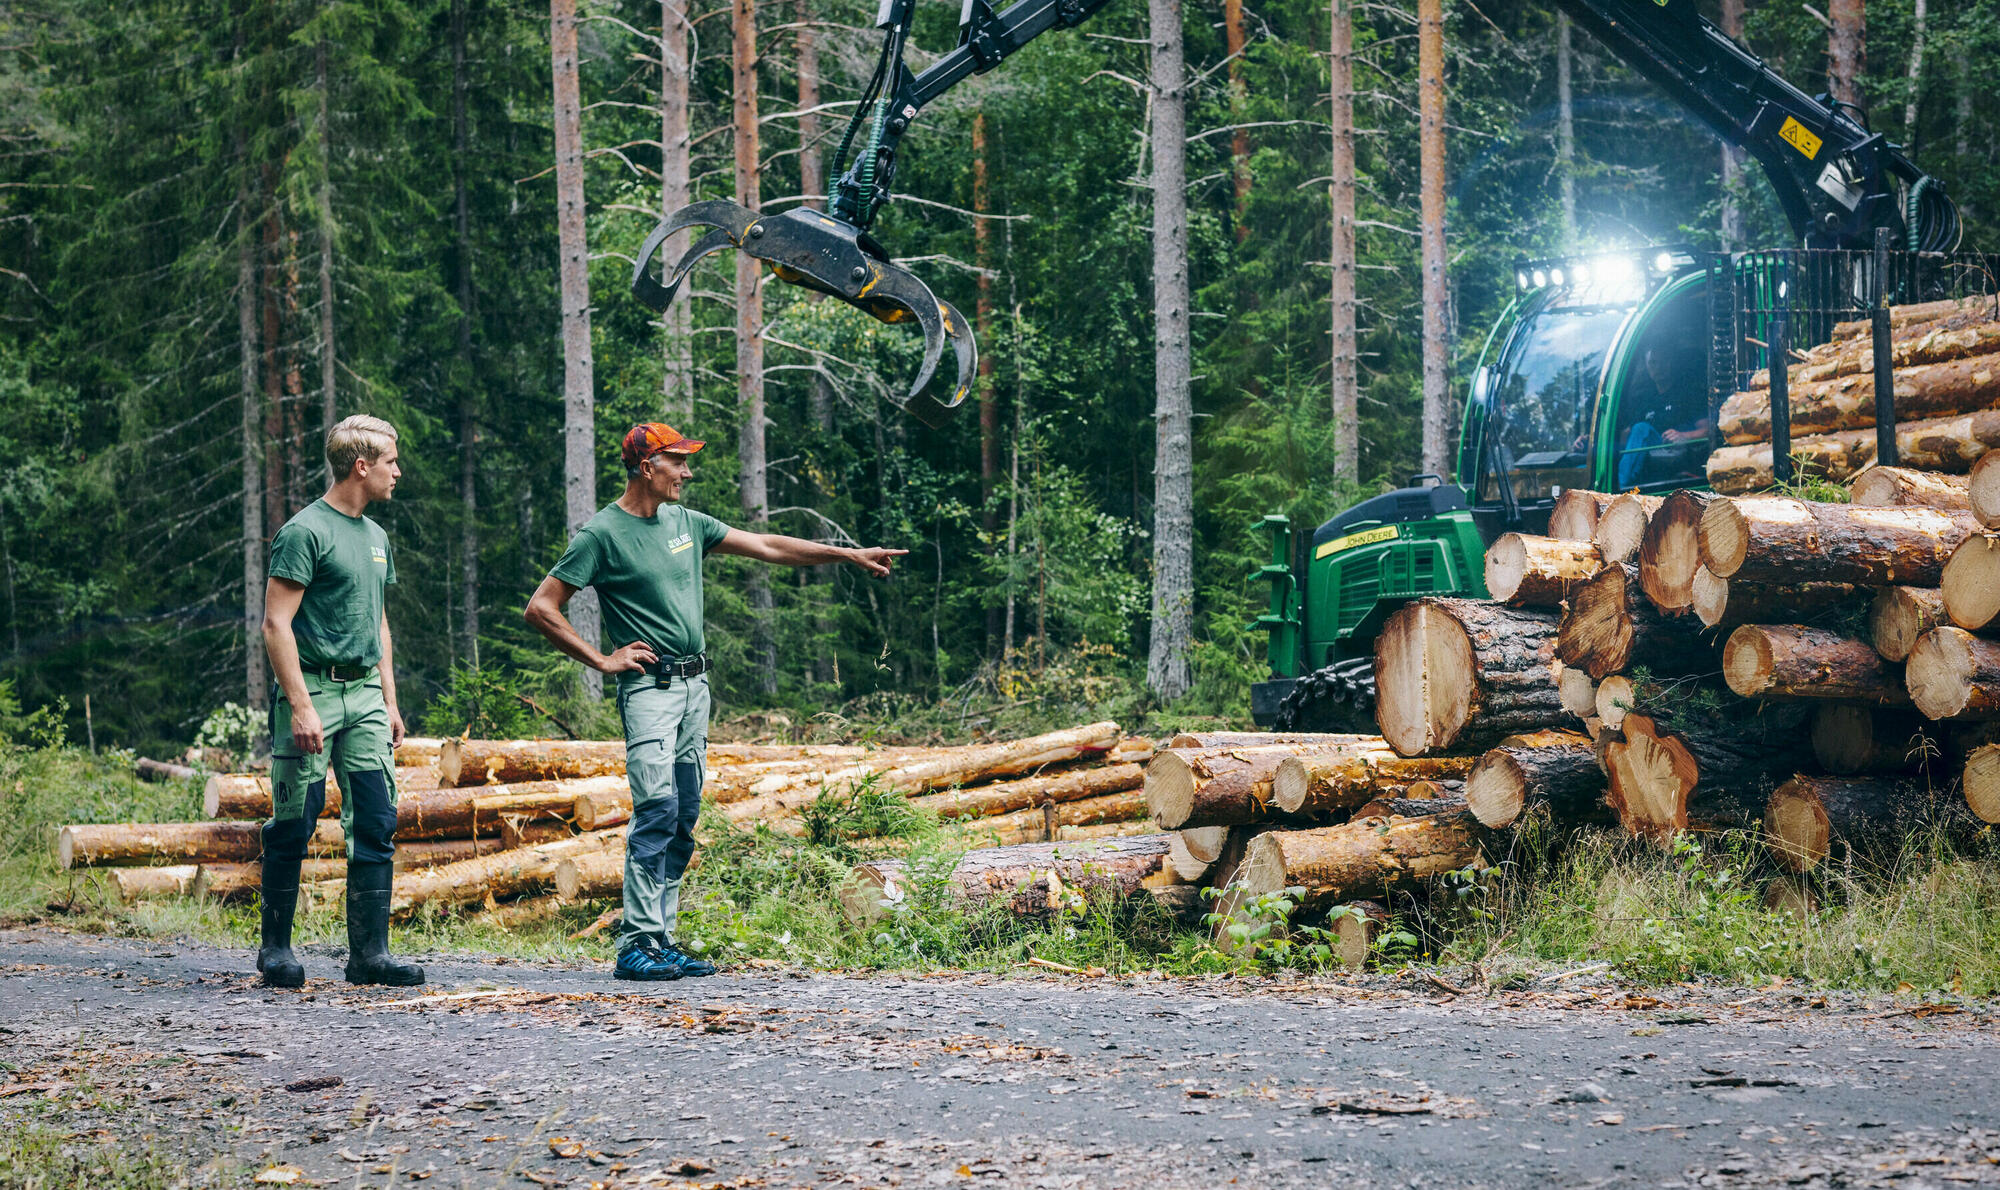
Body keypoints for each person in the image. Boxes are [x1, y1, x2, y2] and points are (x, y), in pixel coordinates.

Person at [524, 423, 907, 981]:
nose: (687, 472)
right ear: (646, 467)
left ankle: (662, 939)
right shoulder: (601, 534)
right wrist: (604, 660)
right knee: (655, 811)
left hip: (695, 690)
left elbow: (768, 546)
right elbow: (542, 607)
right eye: (677, 462)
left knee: (683, 815)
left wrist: (846, 555)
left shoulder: (686, 522)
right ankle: (635, 944)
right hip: (650, 692)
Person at [258, 414, 423, 988]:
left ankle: (370, 957)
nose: (397, 472)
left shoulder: (375, 538)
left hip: (366, 698)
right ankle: (275, 951)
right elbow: (276, 624)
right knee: (292, 823)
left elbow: (378, 623)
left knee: (377, 821)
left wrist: (390, 699)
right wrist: (301, 704)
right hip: (314, 691)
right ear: (362, 465)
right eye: (391, 462)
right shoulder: (306, 532)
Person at [1616, 344, 1715, 488]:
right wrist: (1589, 442)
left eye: (1664, 361)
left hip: (1680, 459)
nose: (1659, 367)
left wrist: (1684, 436)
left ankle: (1620, 489)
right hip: (1650, 467)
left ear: (1672, 362)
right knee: (1639, 429)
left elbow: (1708, 430)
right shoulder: (1644, 400)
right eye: (1653, 362)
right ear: (1646, 366)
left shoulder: (1688, 395)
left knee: (1641, 429)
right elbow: (1628, 437)